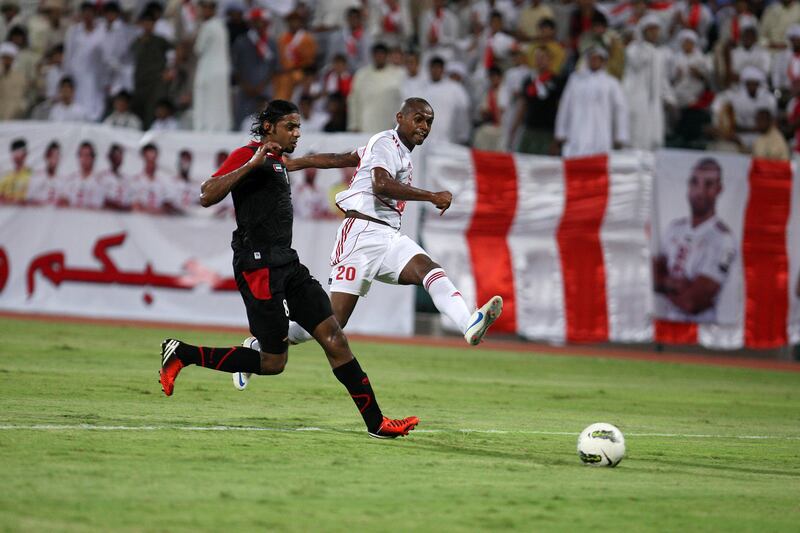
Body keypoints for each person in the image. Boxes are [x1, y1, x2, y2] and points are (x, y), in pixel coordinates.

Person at [159, 99, 419, 439]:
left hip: (287, 262)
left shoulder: (279, 160)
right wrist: (251, 163)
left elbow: (329, 159)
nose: (297, 133)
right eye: (291, 127)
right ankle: (183, 353)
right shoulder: (248, 154)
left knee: (333, 336)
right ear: (269, 127)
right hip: (257, 266)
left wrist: (359, 154)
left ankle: (377, 423)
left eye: (298, 127)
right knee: (273, 363)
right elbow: (207, 194)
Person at [236, 98, 502, 393]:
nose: (423, 127)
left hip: (388, 236)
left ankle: (468, 323)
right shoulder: (385, 142)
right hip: (360, 234)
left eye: (428, 122)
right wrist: (431, 196)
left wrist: (299, 162)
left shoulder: (395, 151)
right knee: (333, 322)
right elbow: (380, 185)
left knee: (429, 270)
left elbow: (343, 159)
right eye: (418, 119)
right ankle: (259, 343)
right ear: (399, 117)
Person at [653, 158, 737, 323]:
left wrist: (662, 285)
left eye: (708, 184)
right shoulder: (674, 228)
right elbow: (650, 278)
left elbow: (691, 302)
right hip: (666, 323)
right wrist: (676, 285)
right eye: (694, 182)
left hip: (701, 332)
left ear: (719, 189)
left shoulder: (724, 239)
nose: (700, 191)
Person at [554, 46, 628, 157]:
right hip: (577, 130)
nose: (594, 61)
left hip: (601, 131)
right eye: (592, 58)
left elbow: (620, 110)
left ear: (603, 62)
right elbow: (565, 106)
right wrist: (561, 132)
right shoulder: (575, 80)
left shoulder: (611, 83)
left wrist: (620, 135)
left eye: (598, 59)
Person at [193, 0, 231, 131]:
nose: (202, 11)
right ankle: (219, 128)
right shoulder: (221, 25)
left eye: (205, 8)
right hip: (221, 70)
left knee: (206, 100)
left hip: (208, 69)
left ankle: (205, 129)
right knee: (219, 102)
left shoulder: (207, 26)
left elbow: (198, 49)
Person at [26, 140, 62, 205]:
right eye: (51, 156)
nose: (54, 160)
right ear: (46, 157)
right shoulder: (35, 177)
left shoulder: (62, 180)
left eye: (56, 156)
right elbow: (29, 200)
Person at [0, 138, 31, 203]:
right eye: (14, 152)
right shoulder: (6, 176)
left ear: (25, 154)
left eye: (19, 152)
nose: (16, 155)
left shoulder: (32, 175)